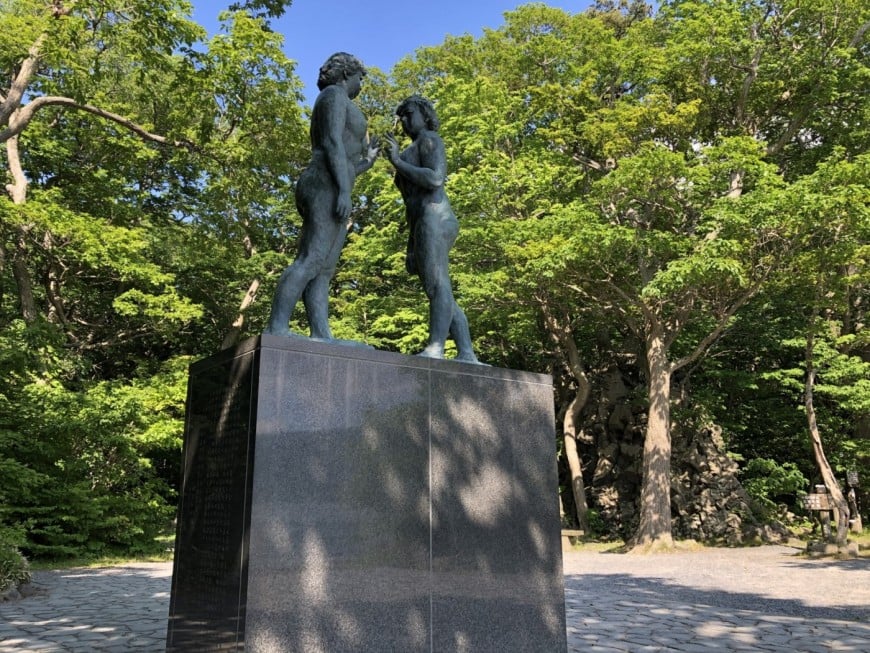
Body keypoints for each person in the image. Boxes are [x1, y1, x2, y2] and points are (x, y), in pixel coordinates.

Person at [265, 52, 378, 339]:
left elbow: (348, 163)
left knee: (324, 268)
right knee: (311, 258)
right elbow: (330, 142)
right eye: (360, 78)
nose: (361, 85)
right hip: (324, 183)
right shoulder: (334, 95)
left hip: (335, 182)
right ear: (346, 74)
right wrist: (343, 190)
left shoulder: (340, 99)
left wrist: (368, 162)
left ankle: (321, 335)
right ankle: (277, 328)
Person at [385, 96, 479, 363]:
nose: (404, 120)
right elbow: (409, 203)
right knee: (436, 288)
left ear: (425, 115)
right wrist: (411, 245)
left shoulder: (430, 140)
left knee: (438, 284)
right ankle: (466, 352)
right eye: (401, 116)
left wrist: (397, 162)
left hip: (436, 217)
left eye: (409, 113)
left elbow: (435, 178)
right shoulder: (408, 152)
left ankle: (436, 347)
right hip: (421, 222)